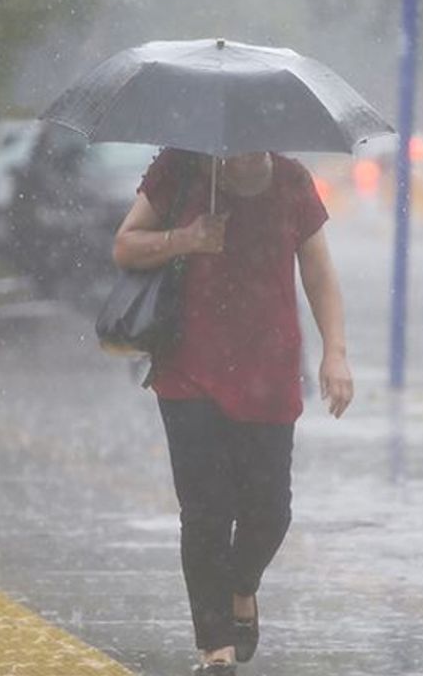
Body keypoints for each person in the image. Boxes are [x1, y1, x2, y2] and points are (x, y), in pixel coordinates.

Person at [113, 148, 353, 675]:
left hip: (269, 370)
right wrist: (187, 238)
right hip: (189, 369)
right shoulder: (180, 169)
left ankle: (242, 587)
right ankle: (214, 646)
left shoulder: (291, 181)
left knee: (270, 511)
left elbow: (317, 272)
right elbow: (125, 245)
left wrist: (334, 351)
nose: (247, 149)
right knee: (205, 513)